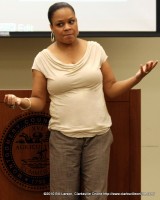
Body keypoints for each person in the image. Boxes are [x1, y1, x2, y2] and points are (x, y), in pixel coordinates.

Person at [4, 2, 158, 200]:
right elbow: (39, 101)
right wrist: (20, 101)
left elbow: (111, 89)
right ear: (51, 28)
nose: (67, 27)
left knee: (96, 197)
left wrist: (138, 76)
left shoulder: (95, 49)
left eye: (71, 21)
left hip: (98, 136)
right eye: (60, 24)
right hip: (63, 138)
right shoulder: (42, 59)